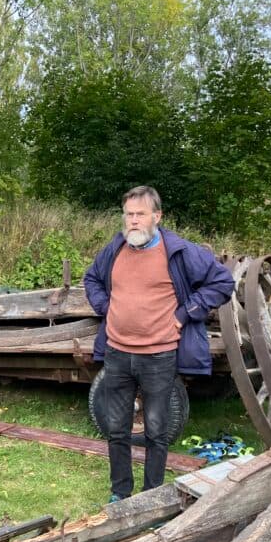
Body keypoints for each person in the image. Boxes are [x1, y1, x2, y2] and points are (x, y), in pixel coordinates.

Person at [83, 186, 234, 503]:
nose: (133, 221)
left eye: (140, 214)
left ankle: (150, 496)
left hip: (158, 355)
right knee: (117, 429)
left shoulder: (178, 251)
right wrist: (107, 309)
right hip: (117, 353)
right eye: (128, 214)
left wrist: (184, 314)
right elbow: (92, 279)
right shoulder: (116, 249)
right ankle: (120, 492)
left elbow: (222, 282)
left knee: (156, 429)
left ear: (157, 216)